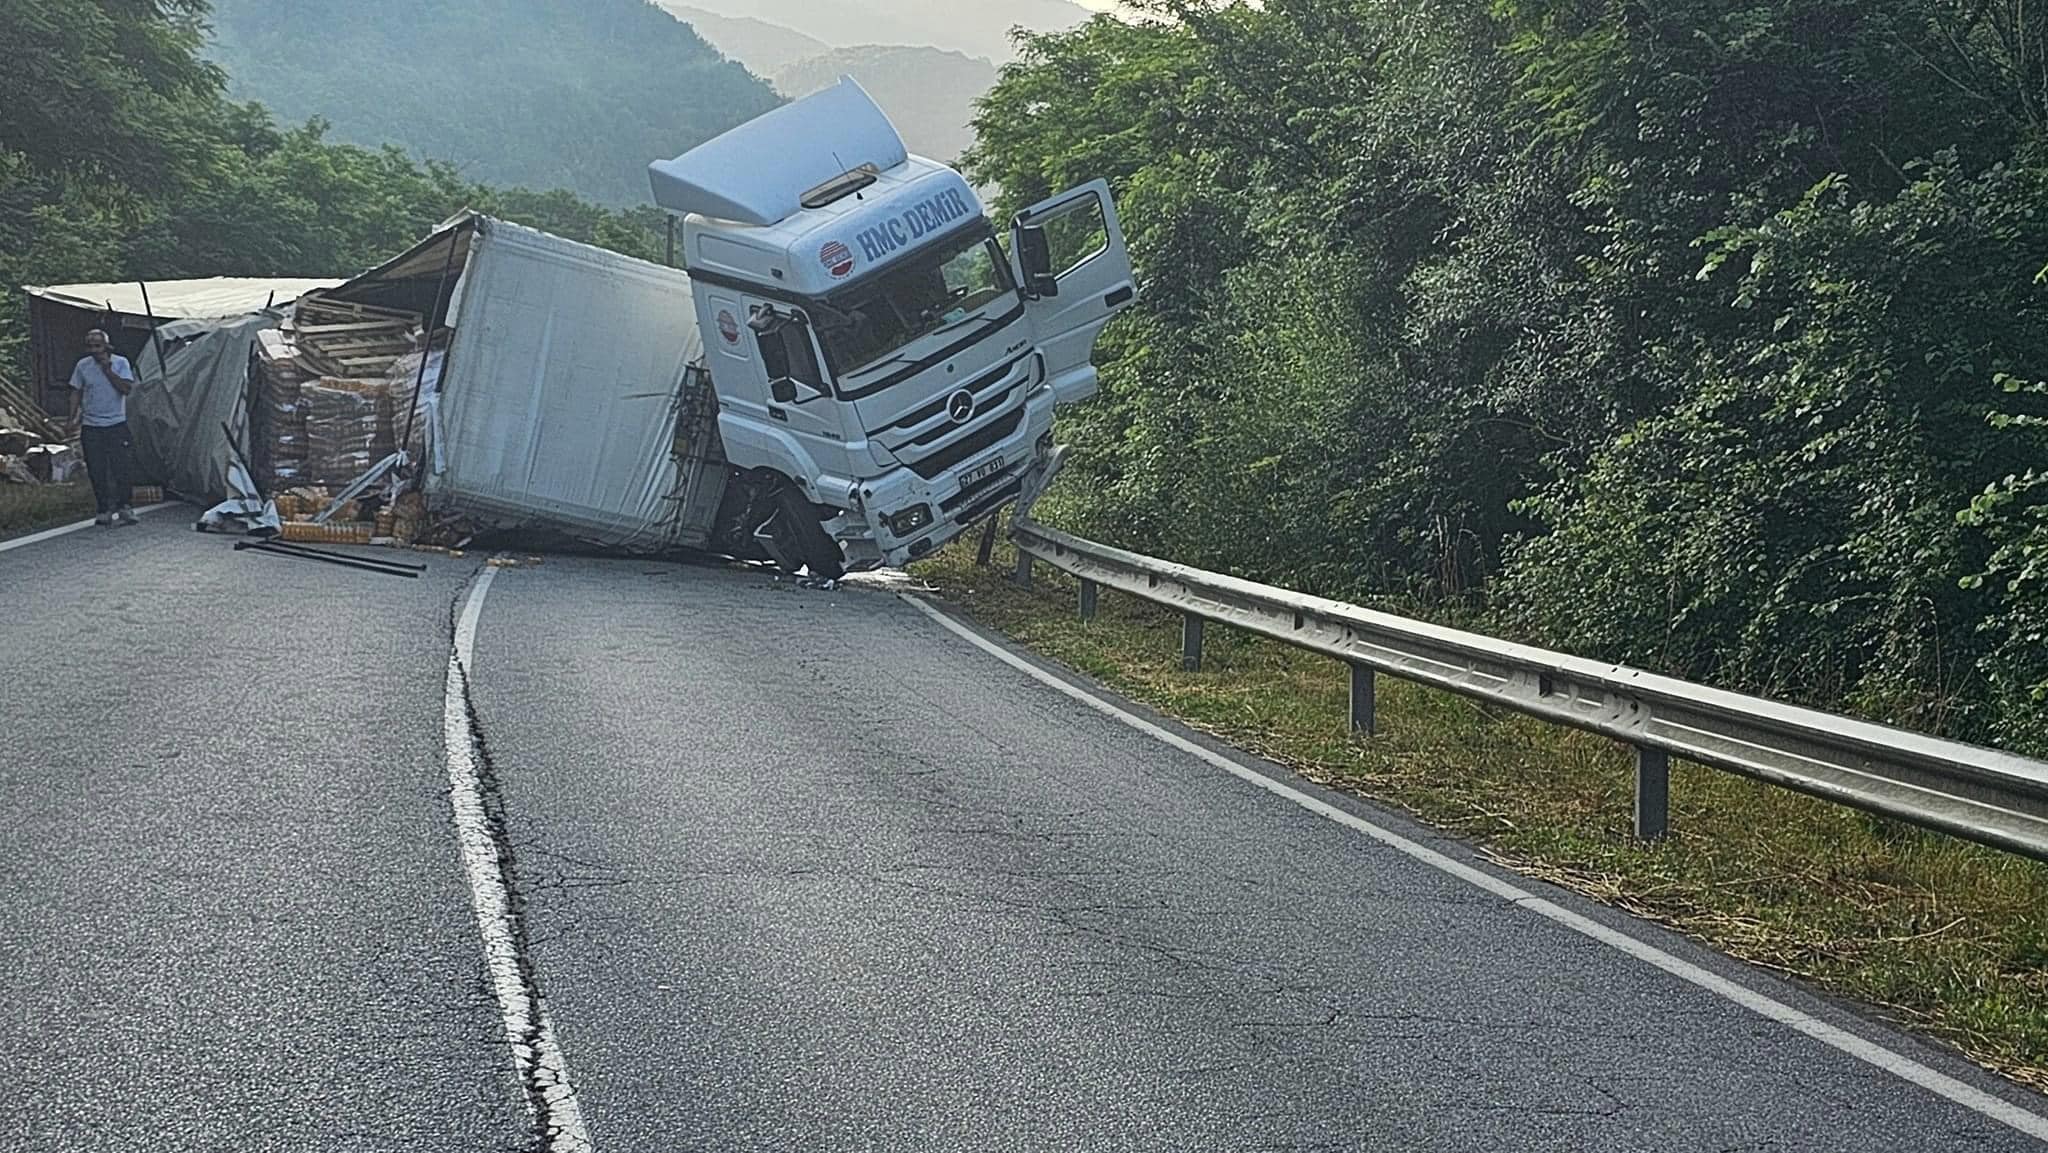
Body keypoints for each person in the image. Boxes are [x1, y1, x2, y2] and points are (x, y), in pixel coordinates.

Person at [68, 329, 140, 527]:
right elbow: (76, 391)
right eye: (90, 346)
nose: (94, 350)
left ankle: (125, 505)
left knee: (122, 467)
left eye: (98, 346)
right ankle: (103, 508)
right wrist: (72, 417)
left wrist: (108, 370)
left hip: (116, 423)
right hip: (92, 425)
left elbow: (126, 389)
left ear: (106, 347)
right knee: (96, 468)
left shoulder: (120, 363)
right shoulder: (83, 366)